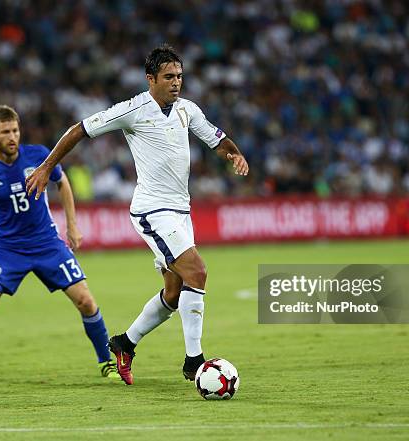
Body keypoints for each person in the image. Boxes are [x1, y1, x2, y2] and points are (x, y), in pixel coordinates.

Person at [26, 45, 249, 385]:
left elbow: (216, 139)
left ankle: (124, 343)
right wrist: (46, 167)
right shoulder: (133, 110)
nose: (176, 83)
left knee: (174, 294)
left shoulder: (187, 110)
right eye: (169, 77)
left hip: (180, 211)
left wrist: (234, 155)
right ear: (151, 79)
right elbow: (79, 130)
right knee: (197, 271)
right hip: (152, 210)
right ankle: (195, 361)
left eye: (179, 76)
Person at [0, 105, 119, 382]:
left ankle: (105, 362)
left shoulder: (39, 155)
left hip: (47, 244)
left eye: (15, 130)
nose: (12, 136)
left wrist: (72, 225)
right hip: (7, 248)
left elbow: (62, 183)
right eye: (5, 132)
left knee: (86, 301)